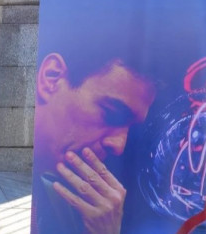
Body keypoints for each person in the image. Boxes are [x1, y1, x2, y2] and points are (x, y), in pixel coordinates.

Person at [33, 21, 157, 233]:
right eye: (112, 113)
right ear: (51, 78)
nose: (119, 145)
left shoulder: (84, 205)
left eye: (130, 128)